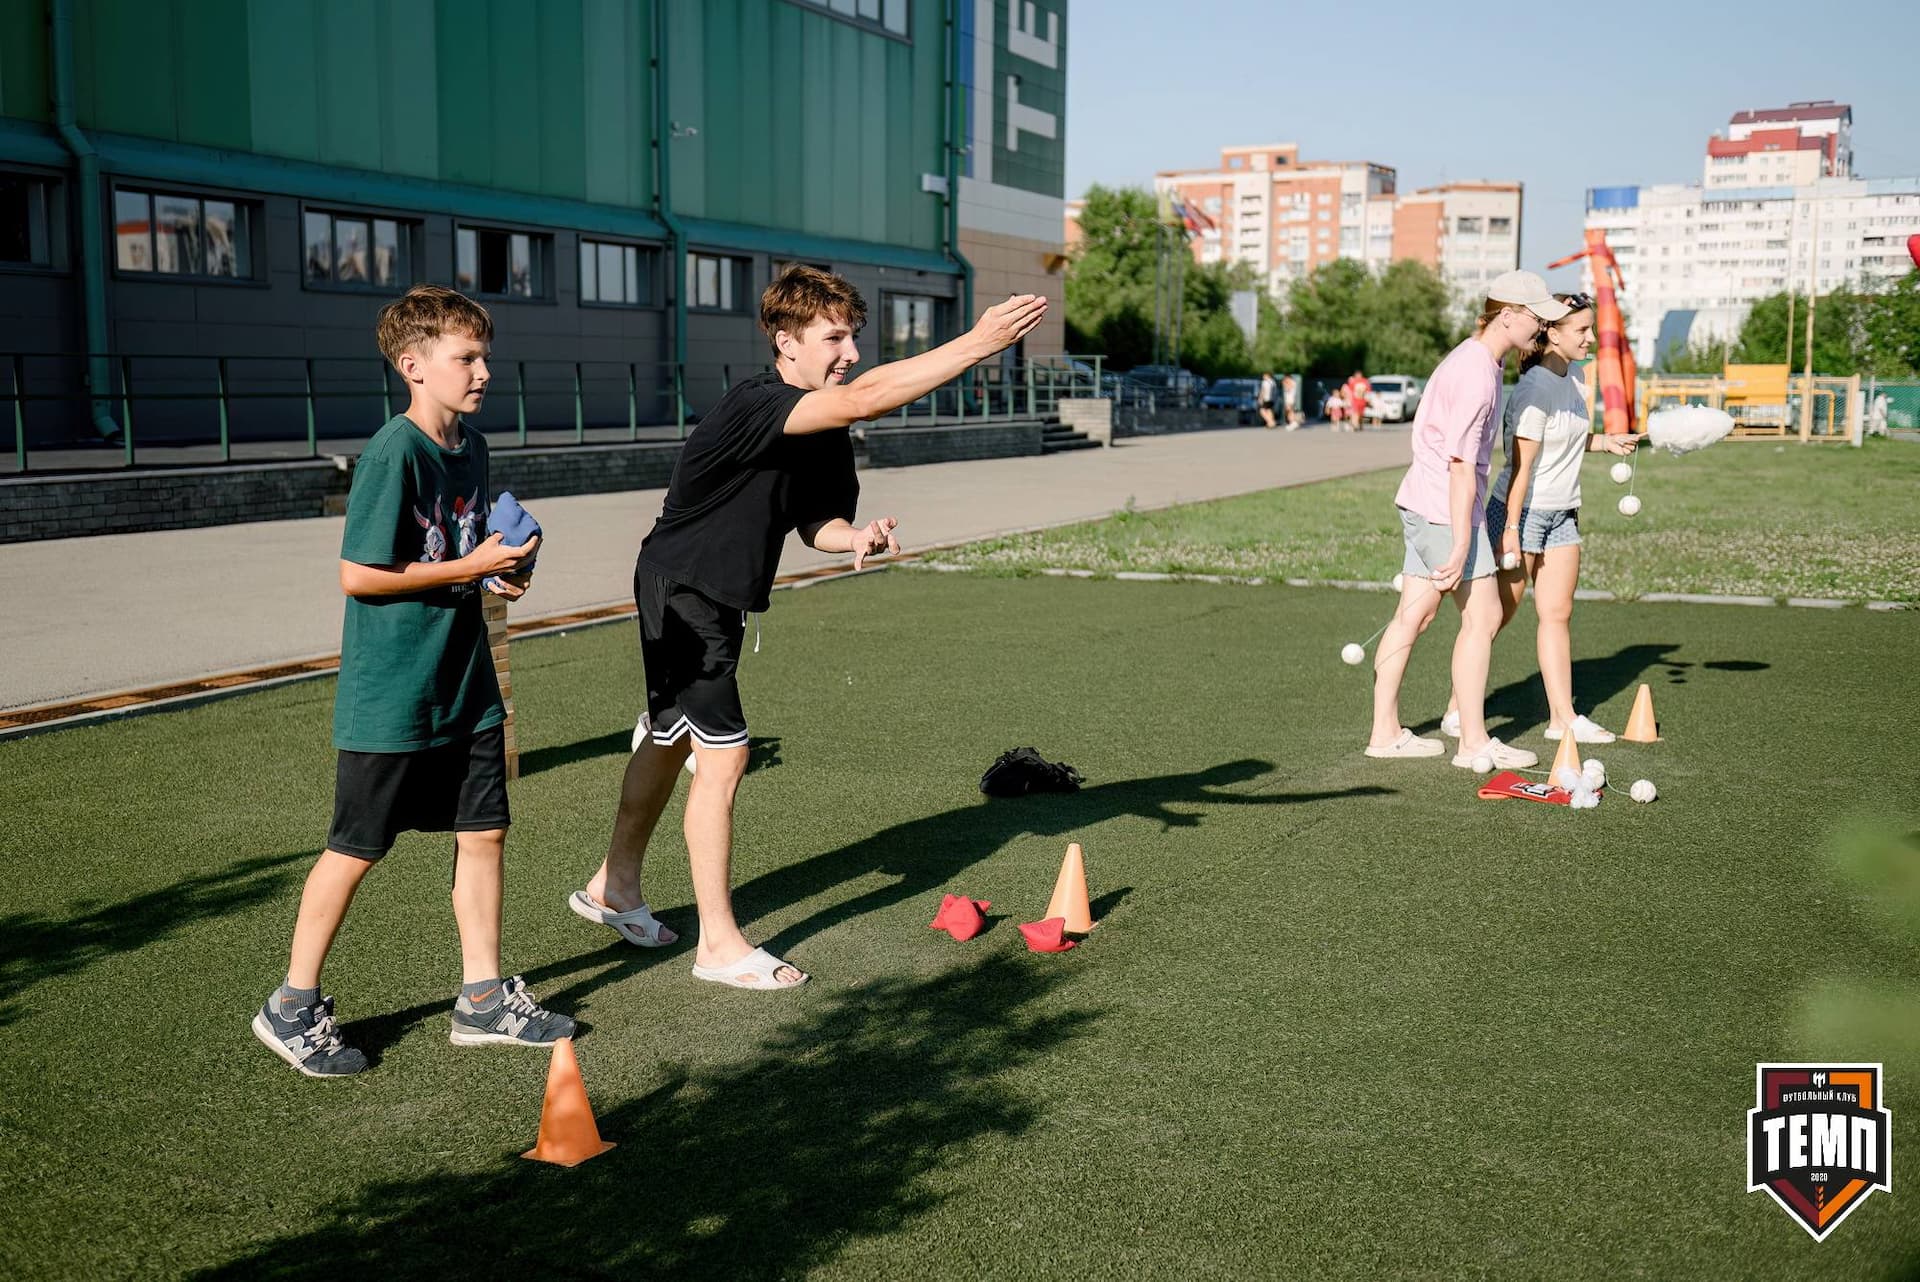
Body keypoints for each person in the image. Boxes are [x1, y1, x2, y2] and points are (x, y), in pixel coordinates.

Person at [572, 267, 1047, 989]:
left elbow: (811, 522)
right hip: (681, 588)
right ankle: (719, 946)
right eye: (834, 336)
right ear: (785, 342)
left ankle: (613, 887)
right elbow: (866, 397)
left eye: (853, 335)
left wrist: (852, 535)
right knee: (724, 758)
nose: (849, 349)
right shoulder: (758, 401)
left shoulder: (826, 426)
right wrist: (978, 342)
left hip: (710, 595)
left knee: (668, 739)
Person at [252, 285, 563, 1077]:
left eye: (485, 356)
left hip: (466, 683)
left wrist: (503, 576)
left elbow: (466, 551)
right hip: (393, 692)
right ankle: (290, 1006)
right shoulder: (395, 451)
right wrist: (471, 564)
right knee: (356, 847)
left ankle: (483, 998)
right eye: (467, 358)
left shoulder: (473, 447)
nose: (483, 371)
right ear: (414, 366)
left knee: (485, 832)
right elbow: (360, 574)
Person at [1364, 270, 1568, 769]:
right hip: (1445, 512)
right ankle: (1473, 742)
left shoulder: (1474, 358)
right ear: (1509, 315)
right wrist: (1461, 543)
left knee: (1414, 614)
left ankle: (1385, 732)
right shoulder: (1478, 373)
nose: (1542, 329)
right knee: (1484, 616)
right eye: (1537, 318)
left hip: (1422, 502)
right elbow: (1460, 465)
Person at [1439, 293, 1638, 745]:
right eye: (1582, 331)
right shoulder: (1532, 390)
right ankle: (1456, 710)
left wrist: (1605, 442)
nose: (1591, 339)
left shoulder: (1577, 379)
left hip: (1564, 512)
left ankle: (1562, 718)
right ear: (1552, 332)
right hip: (1520, 514)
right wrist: (1508, 531)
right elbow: (1522, 467)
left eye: (1591, 329)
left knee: (1557, 614)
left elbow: (1565, 438)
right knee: (1493, 618)